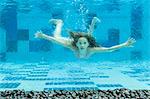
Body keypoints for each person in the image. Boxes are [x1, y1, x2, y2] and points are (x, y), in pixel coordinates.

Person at [35, 17, 136, 58]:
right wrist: (43, 36)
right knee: (56, 36)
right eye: (80, 43)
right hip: (74, 42)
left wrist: (125, 44)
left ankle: (93, 22)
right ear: (76, 43)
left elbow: (109, 49)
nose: (82, 45)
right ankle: (59, 22)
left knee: (89, 36)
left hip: (88, 40)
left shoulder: (92, 49)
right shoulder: (72, 45)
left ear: (88, 44)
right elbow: (55, 41)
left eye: (84, 43)